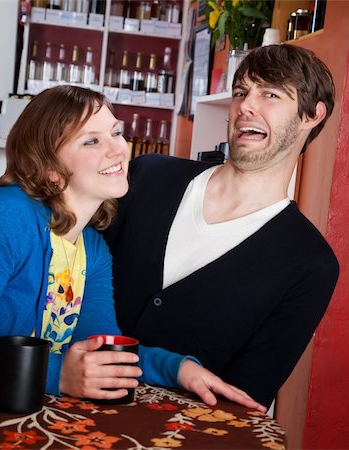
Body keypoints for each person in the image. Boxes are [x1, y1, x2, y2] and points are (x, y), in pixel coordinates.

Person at [0, 85, 266, 411]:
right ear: (50, 169)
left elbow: (101, 348)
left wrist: (178, 369)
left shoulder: (91, 247)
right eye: (91, 140)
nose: (117, 149)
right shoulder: (5, 215)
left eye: (115, 132)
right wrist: (56, 375)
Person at [104, 44, 340, 408]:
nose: (246, 105)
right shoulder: (147, 176)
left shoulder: (310, 264)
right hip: (58, 410)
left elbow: (241, 401)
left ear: (312, 114)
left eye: (270, 95)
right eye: (242, 92)